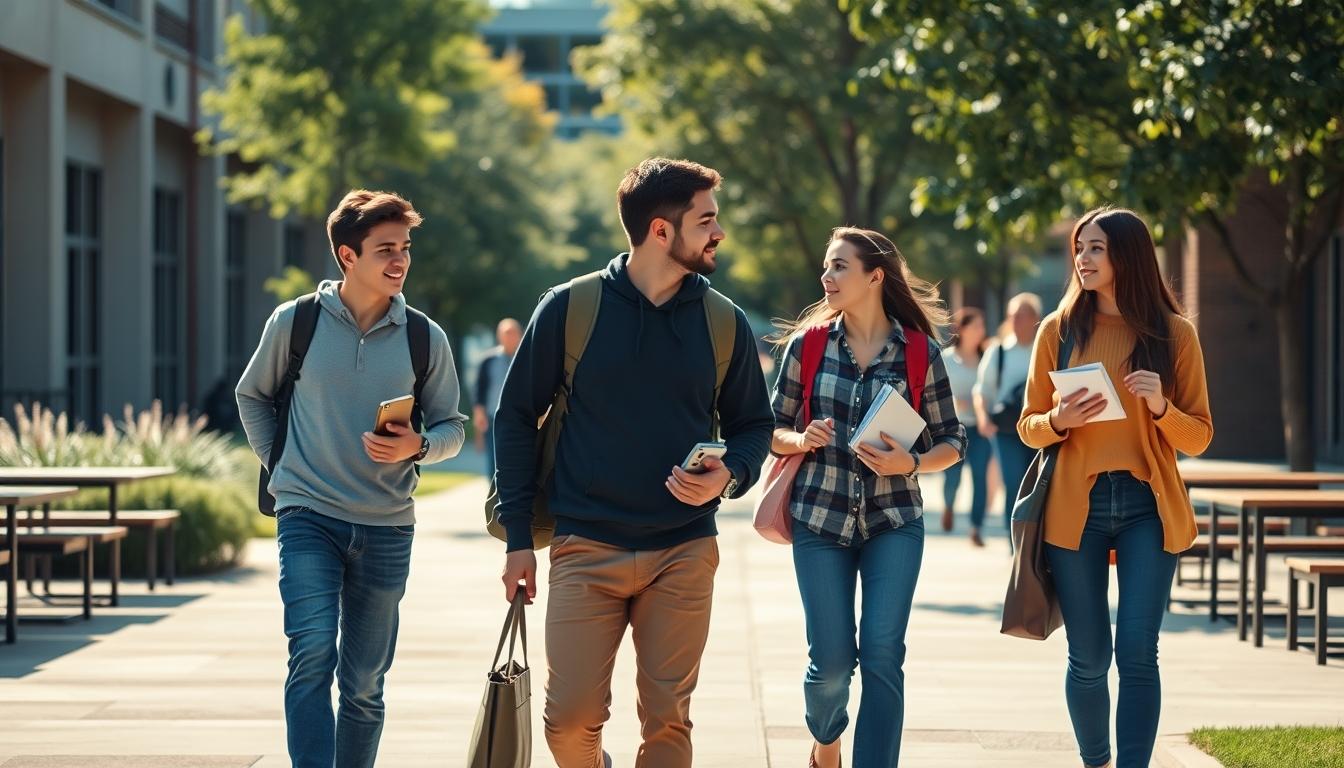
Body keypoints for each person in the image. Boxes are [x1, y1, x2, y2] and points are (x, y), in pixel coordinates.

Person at [492, 158, 775, 768]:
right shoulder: (571, 308)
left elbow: (755, 424)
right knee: (568, 726)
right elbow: (516, 418)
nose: (718, 233)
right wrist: (518, 538)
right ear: (661, 230)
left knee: (668, 724)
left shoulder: (723, 321)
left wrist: (730, 474)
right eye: (706, 222)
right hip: (584, 547)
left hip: (684, 551)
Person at [235, 190, 467, 768]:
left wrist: (420, 447)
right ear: (347, 255)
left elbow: (452, 427)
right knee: (311, 651)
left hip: (387, 527)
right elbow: (252, 395)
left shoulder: (424, 337)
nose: (400, 261)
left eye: (405, 248)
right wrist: (282, 465)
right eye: (385, 249)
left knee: (363, 682)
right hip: (308, 514)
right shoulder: (296, 323)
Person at [1018, 207, 1212, 768]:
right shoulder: (1057, 331)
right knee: (1088, 656)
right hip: (1075, 505)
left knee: (1137, 653)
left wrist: (1160, 406)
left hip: (1146, 506)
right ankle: (1096, 760)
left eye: (1096, 248)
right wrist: (1058, 421)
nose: (1082, 258)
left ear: (1128, 255)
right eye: (1080, 247)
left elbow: (1198, 437)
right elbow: (1028, 426)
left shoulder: (1176, 335)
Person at [769, 227, 967, 768]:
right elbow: (771, 427)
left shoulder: (920, 353)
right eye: (826, 266)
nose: (826, 277)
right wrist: (800, 437)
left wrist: (914, 462)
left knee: (883, 653)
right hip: (820, 519)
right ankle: (826, 742)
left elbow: (953, 440)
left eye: (839, 267)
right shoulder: (806, 348)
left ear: (874, 277)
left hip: (894, 520)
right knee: (831, 663)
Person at [974, 292, 1042, 534]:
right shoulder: (998, 351)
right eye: (1012, 315)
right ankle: (1015, 541)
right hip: (1006, 430)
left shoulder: (1045, 349)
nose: (1015, 320)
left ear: (1035, 318)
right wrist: (983, 419)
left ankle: (1035, 539)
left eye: (1022, 315)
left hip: (1040, 428)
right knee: (1013, 483)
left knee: (1039, 485)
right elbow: (982, 390)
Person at [940, 307, 993, 546]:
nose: (981, 331)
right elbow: (937, 392)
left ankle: (976, 527)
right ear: (961, 329)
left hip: (980, 429)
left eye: (982, 326)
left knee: (980, 478)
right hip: (954, 427)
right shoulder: (946, 358)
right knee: (953, 478)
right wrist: (955, 402)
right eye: (976, 326)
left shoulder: (988, 357)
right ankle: (949, 506)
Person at [473, 317, 522, 481]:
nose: (510, 337)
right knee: (493, 458)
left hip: (520, 418)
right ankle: (493, 495)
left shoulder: (527, 359)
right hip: (493, 417)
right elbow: (479, 390)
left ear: (520, 335)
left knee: (517, 458)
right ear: (499, 336)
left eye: (513, 333)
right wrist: (479, 414)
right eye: (506, 333)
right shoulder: (488, 361)